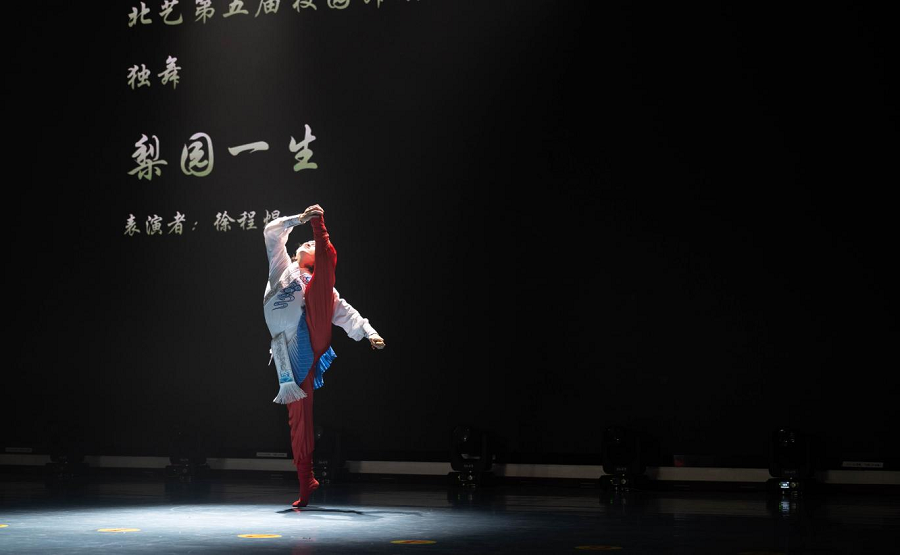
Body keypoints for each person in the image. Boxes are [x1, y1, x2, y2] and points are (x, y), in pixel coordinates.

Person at [263, 204, 384, 507]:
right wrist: (298, 219)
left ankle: (321, 226)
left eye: (314, 244)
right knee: (298, 419)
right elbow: (271, 232)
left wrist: (369, 332)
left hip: (312, 330)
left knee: (322, 291)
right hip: (289, 352)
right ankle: (306, 481)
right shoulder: (281, 267)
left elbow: (347, 313)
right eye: (307, 241)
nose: (308, 245)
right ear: (297, 253)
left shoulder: (322, 286)